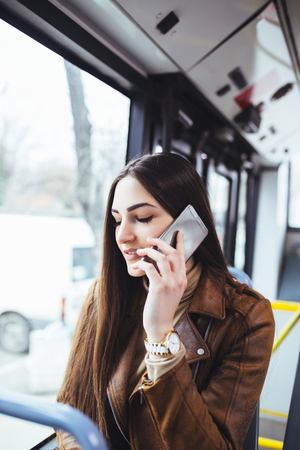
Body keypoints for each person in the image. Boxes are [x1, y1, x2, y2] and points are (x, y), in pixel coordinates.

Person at [56, 152, 275, 450]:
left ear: (190, 224)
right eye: (117, 220)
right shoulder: (103, 294)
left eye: (143, 218)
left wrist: (160, 336)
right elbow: (72, 408)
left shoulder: (248, 318)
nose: (123, 235)